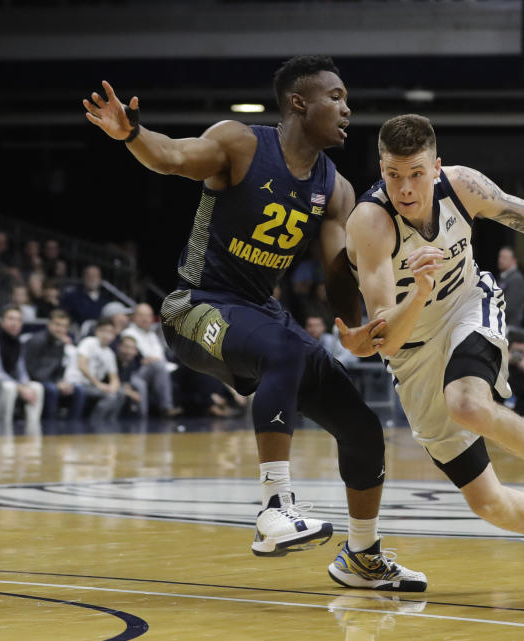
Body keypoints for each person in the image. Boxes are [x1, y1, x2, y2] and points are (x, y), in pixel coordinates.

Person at [83, 55, 425, 590]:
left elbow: (338, 273)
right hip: (193, 306)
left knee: (362, 426)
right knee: (283, 349)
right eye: (334, 97)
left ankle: (361, 556)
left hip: (258, 314)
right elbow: (173, 157)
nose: (346, 108)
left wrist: (353, 327)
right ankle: (273, 508)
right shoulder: (241, 143)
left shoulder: (335, 189)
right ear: (298, 102)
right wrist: (132, 134)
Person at [346, 114, 524, 592]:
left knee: (468, 403)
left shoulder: (464, 186)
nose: (405, 188)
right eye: (393, 175)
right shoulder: (370, 224)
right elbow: (385, 340)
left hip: (468, 308)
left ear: (436, 167)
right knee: (487, 502)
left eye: (416, 173)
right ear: (381, 168)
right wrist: (418, 293)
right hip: (410, 351)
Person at [0, 305, 45, 433]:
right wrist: (20, 388)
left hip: (7, 380)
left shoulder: (18, 342)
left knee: (36, 387)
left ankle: (33, 430)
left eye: (18, 320)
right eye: (10, 319)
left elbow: (21, 370)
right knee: (9, 387)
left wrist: (25, 385)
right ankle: (4, 428)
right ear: (2, 321)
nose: (15, 323)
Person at [24, 309, 87, 421]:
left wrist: (62, 382)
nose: (60, 329)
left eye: (64, 326)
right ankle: (50, 424)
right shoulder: (37, 341)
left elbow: (58, 368)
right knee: (52, 389)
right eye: (57, 325)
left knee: (78, 389)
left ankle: (74, 425)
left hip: (52, 380)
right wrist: (56, 383)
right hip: (35, 380)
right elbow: (30, 369)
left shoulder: (60, 343)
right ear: (49, 324)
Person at [121, 303, 182, 417]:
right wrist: (142, 360)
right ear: (134, 317)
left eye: (148, 315)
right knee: (158, 366)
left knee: (189, 367)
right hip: (138, 371)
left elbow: (162, 358)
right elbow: (129, 360)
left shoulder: (152, 335)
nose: (145, 319)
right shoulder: (128, 334)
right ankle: (166, 408)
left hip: (161, 368)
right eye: (141, 315)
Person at [70, 318, 125, 422]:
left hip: (93, 386)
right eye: (104, 331)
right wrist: (98, 384)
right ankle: (95, 423)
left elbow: (114, 378)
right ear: (97, 331)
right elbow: (82, 365)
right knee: (111, 397)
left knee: (120, 393)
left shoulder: (110, 353)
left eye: (110, 332)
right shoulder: (89, 342)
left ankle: (111, 422)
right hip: (78, 382)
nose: (106, 335)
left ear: (114, 335)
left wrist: (113, 387)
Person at [496, 246, 524, 328]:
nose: (500, 260)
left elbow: (509, 306)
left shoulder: (516, 279)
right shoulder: (503, 277)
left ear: (514, 261)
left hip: (509, 327)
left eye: (504, 258)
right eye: (500, 257)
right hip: (500, 324)